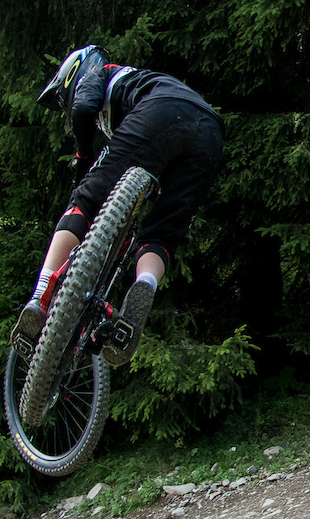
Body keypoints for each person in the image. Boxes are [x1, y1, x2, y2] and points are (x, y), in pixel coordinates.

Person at [12, 45, 223, 367]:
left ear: (74, 75)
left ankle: (39, 298)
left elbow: (83, 108)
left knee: (84, 201)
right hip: (210, 134)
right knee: (163, 233)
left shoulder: (102, 73)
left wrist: (82, 156)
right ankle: (144, 286)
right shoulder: (145, 81)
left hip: (160, 112)